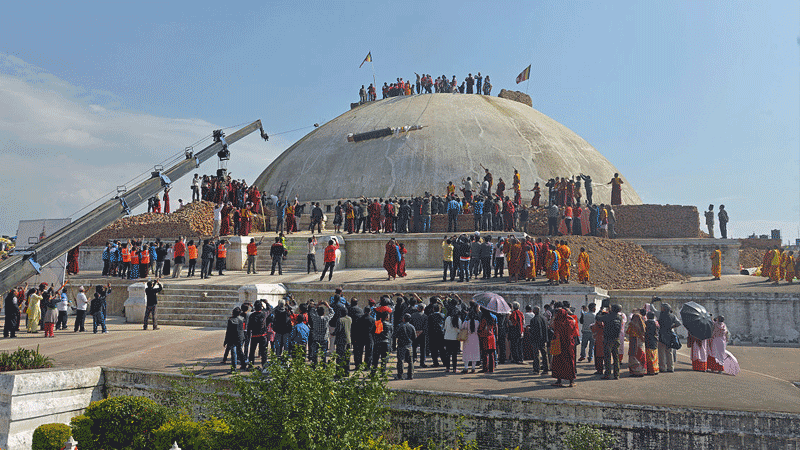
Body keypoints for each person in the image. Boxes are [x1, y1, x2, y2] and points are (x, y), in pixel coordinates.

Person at [600, 304, 623, 380]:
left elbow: (598, 318)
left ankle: (608, 373)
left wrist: (601, 310)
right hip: (616, 338)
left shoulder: (607, 316)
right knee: (616, 357)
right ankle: (617, 374)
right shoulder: (620, 317)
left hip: (608, 338)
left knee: (607, 357)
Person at [657, 303, 679, 373]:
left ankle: (662, 367)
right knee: (669, 352)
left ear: (664, 309)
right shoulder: (673, 316)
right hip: (669, 334)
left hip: (662, 334)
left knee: (661, 352)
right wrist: (672, 326)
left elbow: (652, 309)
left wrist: (652, 302)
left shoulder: (659, 314)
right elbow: (679, 323)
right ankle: (671, 367)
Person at [224, 307, 246, 373]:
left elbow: (228, 332)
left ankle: (234, 368)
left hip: (233, 338)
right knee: (240, 352)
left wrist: (226, 341)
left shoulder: (231, 320)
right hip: (240, 337)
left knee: (234, 353)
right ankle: (243, 364)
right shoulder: (242, 319)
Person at [625, 313, 647, 377]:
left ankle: (634, 371)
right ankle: (641, 371)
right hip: (640, 343)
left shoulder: (631, 325)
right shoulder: (642, 325)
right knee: (641, 355)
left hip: (633, 342)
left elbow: (627, 332)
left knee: (633, 356)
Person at [395, 313, 416, 380]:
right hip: (409, 345)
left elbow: (395, 335)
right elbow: (414, 337)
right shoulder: (412, 327)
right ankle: (410, 375)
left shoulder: (399, 326)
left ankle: (400, 375)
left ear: (403, 319)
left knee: (400, 361)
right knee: (410, 361)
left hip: (401, 345)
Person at [247, 301, 268, 367]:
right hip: (262, 335)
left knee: (252, 351)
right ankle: (264, 365)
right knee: (263, 352)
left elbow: (249, 326)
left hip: (254, 335)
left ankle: (251, 365)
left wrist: (248, 335)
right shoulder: (263, 314)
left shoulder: (252, 315)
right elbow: (269, 309)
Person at [477, 308, 497, 373]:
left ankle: (485, 368)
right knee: (491, 354)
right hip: (492, 337)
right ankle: (491, 368)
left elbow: (480, 329)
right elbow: (496, 328)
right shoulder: (492, 318)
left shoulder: (484, 320)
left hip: (485, 337)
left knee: (485, 354)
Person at [442, 307, 462, 373]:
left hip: (447, 338)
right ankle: (454, 368)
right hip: (455, 339)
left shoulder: (447, 318)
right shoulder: (459, 320)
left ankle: (447, 368)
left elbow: (445, 327)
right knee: (454, 355)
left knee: (447, 354)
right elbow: (460, 330)